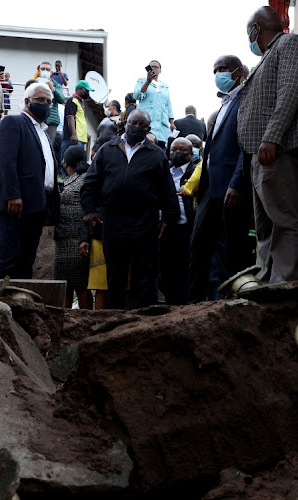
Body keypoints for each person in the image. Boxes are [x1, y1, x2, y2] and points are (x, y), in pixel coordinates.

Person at [238, 6, 298, 284]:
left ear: (256, 30)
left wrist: (272, 136)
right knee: (266, 226)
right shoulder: (269, 54)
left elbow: (290, 90)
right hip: (261, 155)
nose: (249, 38)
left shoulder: (290, 42)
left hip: (278, 149)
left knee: (283, 220)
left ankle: (281, 285)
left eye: (249, 32)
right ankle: (269, 279)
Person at [81, 109, 179, 310]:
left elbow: (168, 192)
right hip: (113, 221)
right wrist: (90, 210)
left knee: (144, 274)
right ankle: (115, 318)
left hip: (145, 222)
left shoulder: (157, 155)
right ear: (125, 123)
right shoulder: (107, 150)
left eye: (142, 125)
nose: (137, 127)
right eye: (134, 123)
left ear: (148, 129)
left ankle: (141, 322)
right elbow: (89, 184)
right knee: (115, 273)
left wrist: (168, 218)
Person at [189, 54, 252, 303]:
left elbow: (246, 146)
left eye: (223, 69)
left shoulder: (246, 101)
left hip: (230, 189)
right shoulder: (223, 105)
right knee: (198, 247)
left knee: (228, 251)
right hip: (209, 192)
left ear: (237, 72)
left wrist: (237, 182)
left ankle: (222, 302)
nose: (218, 74)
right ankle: (194, 304)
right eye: (215, 70)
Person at [0, 82, 60, 279]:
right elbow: (7, 161)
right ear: (26, 101)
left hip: (38, 204)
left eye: (48, 101)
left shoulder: (45, 133)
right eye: (40, 100)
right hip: (17, 204)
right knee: (9, 257)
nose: (45, 104)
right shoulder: (13, 123)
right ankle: (1, 305)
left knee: (27, 259)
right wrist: (13, 195)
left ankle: (21, 304)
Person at [160, 138, 197, 305]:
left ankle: (184, 304)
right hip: (166, 227)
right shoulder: (164, 171)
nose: (176, 154)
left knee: (185, 267)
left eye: (182, 151)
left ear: (190, 155)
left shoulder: (195, 172)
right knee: (166, 268)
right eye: (173, 150)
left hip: (186, 228)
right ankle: (169, 302)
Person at [54, 146, 92, 309]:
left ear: (67, 163)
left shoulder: (85, 179)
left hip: (77, 240)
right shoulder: (70, 179)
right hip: (63, 241)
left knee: (80, 285)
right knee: (65, 286)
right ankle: (66, 321)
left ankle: (85, 321)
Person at [133, 61, 174, 150]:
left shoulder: (164, 86)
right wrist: (148, 81)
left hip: (161, 128)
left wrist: (171, 122)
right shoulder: (142, 81)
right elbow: (136, 95)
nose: (154, 69)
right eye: (151, 67)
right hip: (147, 122)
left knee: (160, 152)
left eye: (156, 67)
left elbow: (168, 104)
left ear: (160, 70)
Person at [61, 80, 94, 155]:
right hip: (73, 140)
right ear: (79, 89)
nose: (88, 93)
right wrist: (74, 134)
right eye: (86, 90)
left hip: (79, 140)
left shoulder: (80, 101)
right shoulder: (73, 100)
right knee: (70, 164)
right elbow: (70, 118)